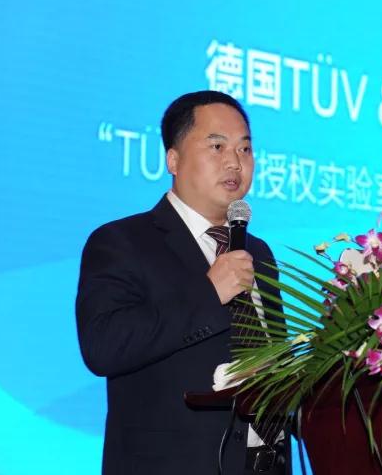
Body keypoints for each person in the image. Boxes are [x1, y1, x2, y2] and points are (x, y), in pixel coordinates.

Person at [76, 91, 289, 474]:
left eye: (244, 149)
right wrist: (209, 294)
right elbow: (103, 347)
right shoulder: (121, 242)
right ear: (173, 160)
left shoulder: (258, 253)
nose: (235, 162)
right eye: (217, 146)